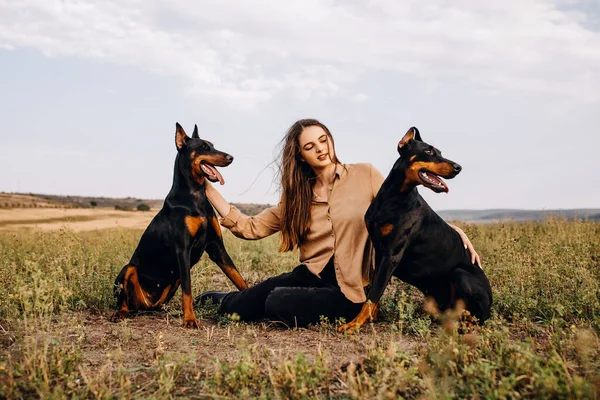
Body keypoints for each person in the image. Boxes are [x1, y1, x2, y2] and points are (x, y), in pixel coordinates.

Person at [196, 119, 480, 327]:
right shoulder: (297, 199)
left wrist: (454, 230)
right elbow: (249, 227)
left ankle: (267, 300)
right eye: (310, 146)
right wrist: (205, 188)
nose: (320, 149)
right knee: (246, 302)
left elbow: (407, 208)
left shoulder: (365, 175)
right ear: (300, 156)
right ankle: (223, 299)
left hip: (350, 288)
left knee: (275, 301)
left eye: (323, 140)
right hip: (310, 275)